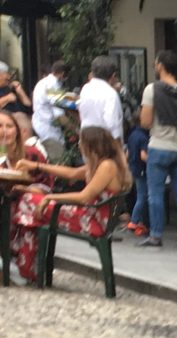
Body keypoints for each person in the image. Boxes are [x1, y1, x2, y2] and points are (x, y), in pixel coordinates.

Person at [8, 124, 129, 282]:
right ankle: (23, 263)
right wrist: (37, 166)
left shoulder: (107, 166)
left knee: (27, 201)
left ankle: (18, 258)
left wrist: (49, 198)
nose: (79, 145)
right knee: (30, 210)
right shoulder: (102, 163)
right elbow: (71, 173)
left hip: (92, 221)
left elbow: (84, 196)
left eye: (81, 142)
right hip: (89, 215)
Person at [139, 48, 177, 250]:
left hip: (159, 146)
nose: (155, 66)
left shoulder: (152, 90)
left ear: (161, 66)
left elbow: (145, 122)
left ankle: (156, 235)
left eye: (156, 63)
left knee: (155, 193)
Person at [76, 55, 121, 141]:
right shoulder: (111, 95)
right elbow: (113, 127)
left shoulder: (85, 89)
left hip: (86, 141)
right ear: (113, 75)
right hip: (105, 144)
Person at [30, 58, 68, 160]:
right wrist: (76, 130)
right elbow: (60, 116)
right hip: (49, 130)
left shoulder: (42, 82)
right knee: (58, 161)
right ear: (62, 74)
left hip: (40, 125)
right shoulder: (53, 86)